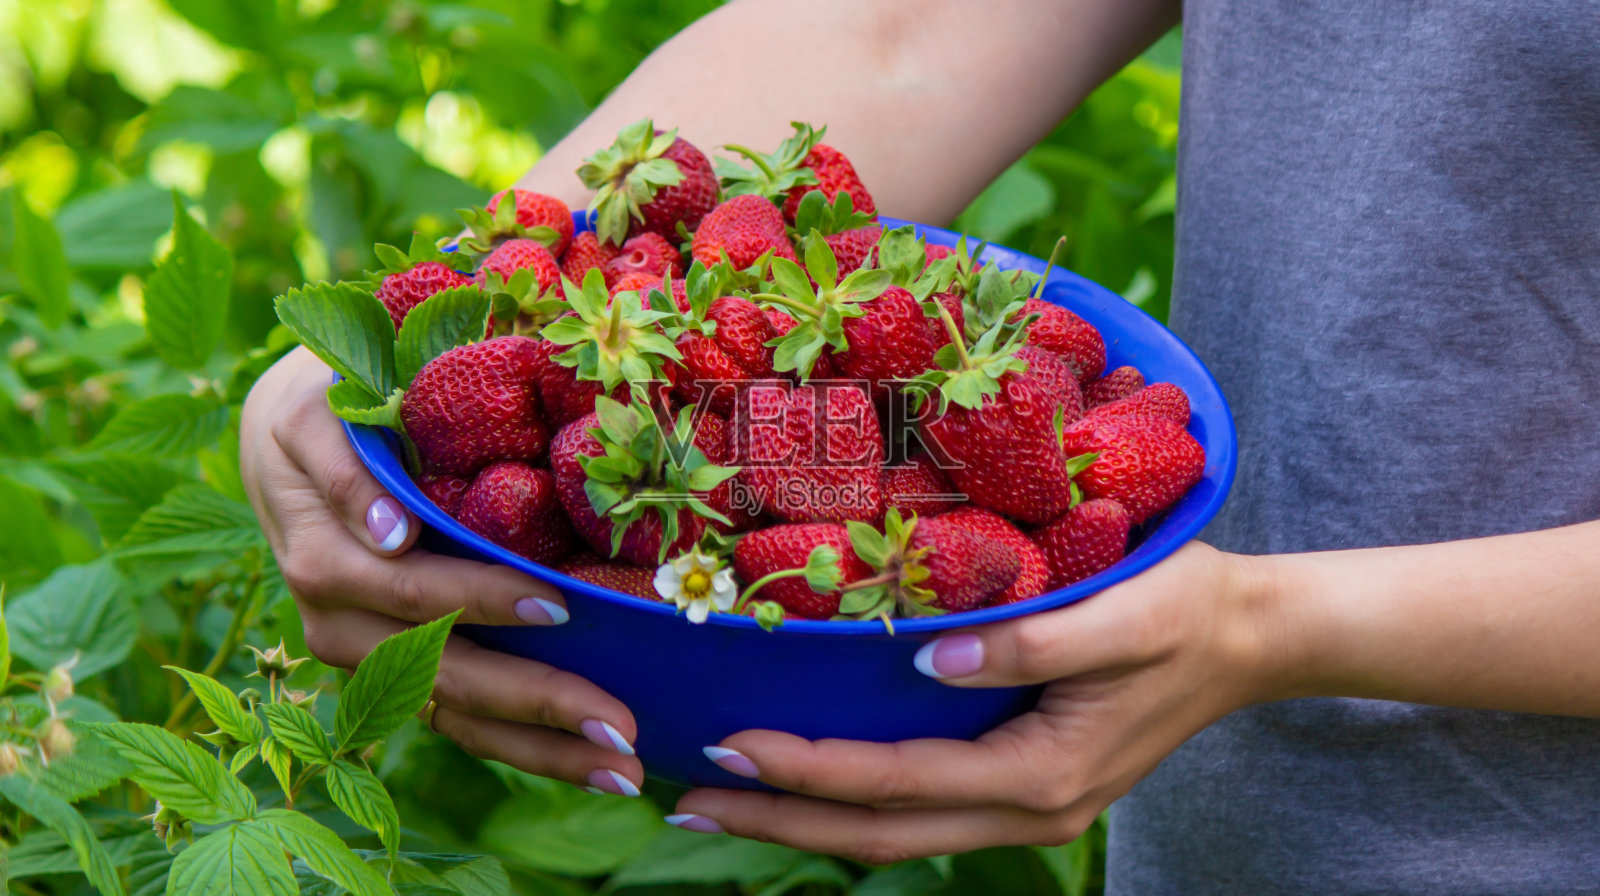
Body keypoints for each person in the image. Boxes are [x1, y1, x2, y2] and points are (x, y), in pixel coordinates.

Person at [241, 0, 1600, 890]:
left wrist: (1269, 628)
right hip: (1224, 840)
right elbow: (910, 27)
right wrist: (458, 314)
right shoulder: (850, 423)